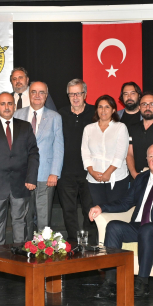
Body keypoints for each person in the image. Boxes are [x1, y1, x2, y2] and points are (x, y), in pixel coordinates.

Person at [89, 144, 153, 298]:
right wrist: (101, 207)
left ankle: (142, 283)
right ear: (146, 160)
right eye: (151, 156)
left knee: (148, 229)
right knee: (113, 226)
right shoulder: (141, 178)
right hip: (138, 226)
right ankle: (111, 282)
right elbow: (125, 203)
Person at [0, 92, 39, 244]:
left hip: (21, 184)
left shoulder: (25, 126)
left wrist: (31, 178)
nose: (6, 107)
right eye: (3, 104)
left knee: (21, 223)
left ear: (14, 106)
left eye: (10, 103)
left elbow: (33, 153)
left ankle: (20, 257)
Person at [13, 81, 64, 238]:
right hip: (23, 175)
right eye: (34, 92)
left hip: (45, 175)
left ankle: (43, 249)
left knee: (43, 219)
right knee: (24, 218)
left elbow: (58, 146)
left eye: (41, 92)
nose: (37, 95)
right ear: (29, 94)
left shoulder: (55, 117)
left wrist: (54, 173)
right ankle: (27, 248)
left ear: (46, 96)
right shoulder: (17, 115)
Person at [57, 79, 97, 241]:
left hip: (90, 172)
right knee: (68, 211)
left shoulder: (95, 113)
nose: (75, 97)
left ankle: (90, 244)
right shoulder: (60, 114)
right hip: (66, 173)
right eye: (71, 94)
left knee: (89, 210)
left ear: (85, 95)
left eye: (78, 93)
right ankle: (74, 243)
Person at [81, 95, 131, 206]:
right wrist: (92, 172)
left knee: (115, 211)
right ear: (96, 110)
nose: (103, 110)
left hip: (117, 177)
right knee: (99, 211)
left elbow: (121, 153)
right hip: (94, 178)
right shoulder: (88, 129)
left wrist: (108, 173)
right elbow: (85, 153)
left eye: (107, 107)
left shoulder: (120, 127)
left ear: (113, 110)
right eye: (100, 107)